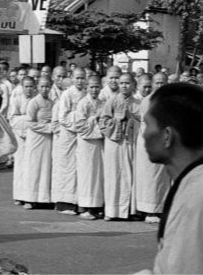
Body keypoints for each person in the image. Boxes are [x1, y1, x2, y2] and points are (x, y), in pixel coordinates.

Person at [133, 83, 203, 275]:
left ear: (167, 136)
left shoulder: (198, 201)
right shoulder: (202, 185)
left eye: (147, 124)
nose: (144, 133)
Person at [99, 72, 141, 220]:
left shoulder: (137, 104)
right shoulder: (111, 101)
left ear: (134, 85)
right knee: (113, 175)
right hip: (114, 142)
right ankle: (111, 211)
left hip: (130, 142)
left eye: (127, 83)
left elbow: (142, 124)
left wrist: (131, 119)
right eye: (122, 83)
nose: (124, 85)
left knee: (129, 175)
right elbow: (103, 122)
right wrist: (117, 121)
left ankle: (127, 210)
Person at [134, 72, 170, 223]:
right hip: (149, 142)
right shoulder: (147, 101)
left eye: (163, 83)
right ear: (153, 83)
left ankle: (159, 209)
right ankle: (148, 211)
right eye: (157, 83)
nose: (160, 86)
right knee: (149, 177)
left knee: (162, 178)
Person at [52, 68, 86, 214]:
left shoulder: (86, 93)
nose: (80, 81)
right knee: (66, 168)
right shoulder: (67, 94)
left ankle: (78, 201)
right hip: (68, 134)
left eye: (82, 78)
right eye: (77, 78)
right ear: (72, 78)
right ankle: (65, 203)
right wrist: (78, 120)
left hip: (81, 134)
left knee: (79, 169)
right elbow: (63, 117)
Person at [75, 75, 105, 220]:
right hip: (86, 143)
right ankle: (85, 207)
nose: (94, 90)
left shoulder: (102, 103)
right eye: (91, 87)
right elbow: (79, 126)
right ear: (87, 88)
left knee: (97, 175)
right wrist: (95, 118)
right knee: (87, 175)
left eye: (97, 87)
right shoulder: (82, 103)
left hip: (98, 143)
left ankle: (95, 206)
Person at [22, 76, 54, 209]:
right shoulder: (34, 102)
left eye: (47, 86)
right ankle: (29, 198)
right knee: (33, 167)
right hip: (36, 138)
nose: (44, 89)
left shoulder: (52, 103)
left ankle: (44, 198)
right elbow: (30, 122)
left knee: (46, 167)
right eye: (42, 86)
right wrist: (46, 127)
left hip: (47, 140)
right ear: (37, 87)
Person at [8, 77, 37, 207]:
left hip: (35, 137)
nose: (29, 89)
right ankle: (19, 195)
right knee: (20, 166)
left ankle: (30, 196)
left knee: (32, 166)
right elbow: (13, 119)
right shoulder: (16, 100)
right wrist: (28, 120)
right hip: (20, 136)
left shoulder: (37, 100)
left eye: (31, 86)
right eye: (26, 86)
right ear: (22, 87)